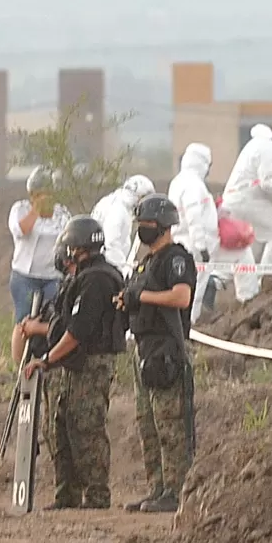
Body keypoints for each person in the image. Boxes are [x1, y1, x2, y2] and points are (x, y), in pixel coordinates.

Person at [23, 215, 125, 510]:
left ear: (77, 248)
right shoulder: (80, 278)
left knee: (87, 426)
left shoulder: (97, 279)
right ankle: (66, 494)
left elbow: (77, 331)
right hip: (71, 365)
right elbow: (61, 321)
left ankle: (96, 495)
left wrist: (47, 359)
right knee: (62, 427)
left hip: (90, 364)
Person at [118, 194, 196, 513]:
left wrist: (143, 296)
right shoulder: (146, 261)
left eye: (148, 225)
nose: (143, 230)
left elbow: (181, 297)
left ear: (164, 226)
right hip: (144, 349)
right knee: (148, 424)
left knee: (170, 424)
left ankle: (175, 491)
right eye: (141, 225)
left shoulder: (176, 259)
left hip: (166, 350)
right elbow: (138, 295)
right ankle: (157, 488)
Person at [221, 115, 272, 303]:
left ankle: (241, 293)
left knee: (250, 249)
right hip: (248, 202)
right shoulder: (269, 149)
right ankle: (267, 283)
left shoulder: (261, 144)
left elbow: (270, 179)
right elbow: (267, 183)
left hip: (239, 202)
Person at [166, 143, 223, 324]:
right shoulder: (194, 185)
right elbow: (193, 216)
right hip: (194, 245)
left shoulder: (178, 181)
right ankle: (189, 327)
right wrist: (201, 246)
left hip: (181, 241)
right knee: (195, 290)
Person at [7, 166, 71, 322]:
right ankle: (19, 346)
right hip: (25, 276)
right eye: (39, 194)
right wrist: (35, 211)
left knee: (52, 319)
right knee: (24, 319)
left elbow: (69, 238)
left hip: (52, 276)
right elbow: (22, 230)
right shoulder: (20, 209)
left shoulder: (61, 213)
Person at [90, 174, 156, 276]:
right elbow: (111, 243)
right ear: (137, 196)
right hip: (107, 269)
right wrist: (122, 270)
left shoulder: (111, 202)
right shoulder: (119, 210)